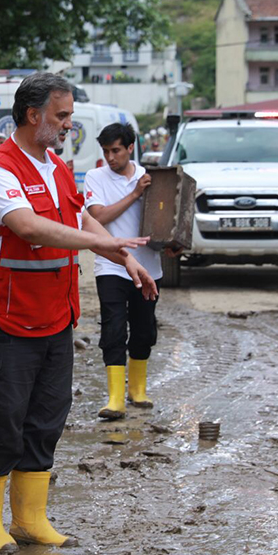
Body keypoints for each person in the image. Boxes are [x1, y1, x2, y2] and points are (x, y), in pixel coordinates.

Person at [0, 73, 157, 554]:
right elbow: (29, 228)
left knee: (47, 418)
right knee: (5, 419)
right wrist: (101, 242)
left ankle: (29, 517)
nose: (69, 125)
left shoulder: (55, 165)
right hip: (5, 318)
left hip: (54, 316)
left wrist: (125, 258)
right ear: (34, 117)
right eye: (63, 116)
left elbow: (79, 216)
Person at [84, 122, 168, 420]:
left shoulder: (152, 177)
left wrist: (173, 241)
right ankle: (115, 398)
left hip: (149, 266)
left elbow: (166, 216)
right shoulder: (95, 177)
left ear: (130, 148)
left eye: (116, 150)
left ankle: (138, 391)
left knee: (144, 330)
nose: (110, 157)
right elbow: (98, 216)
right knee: (113, 329)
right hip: (111, 265)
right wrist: (134, 194)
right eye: (106, 151)